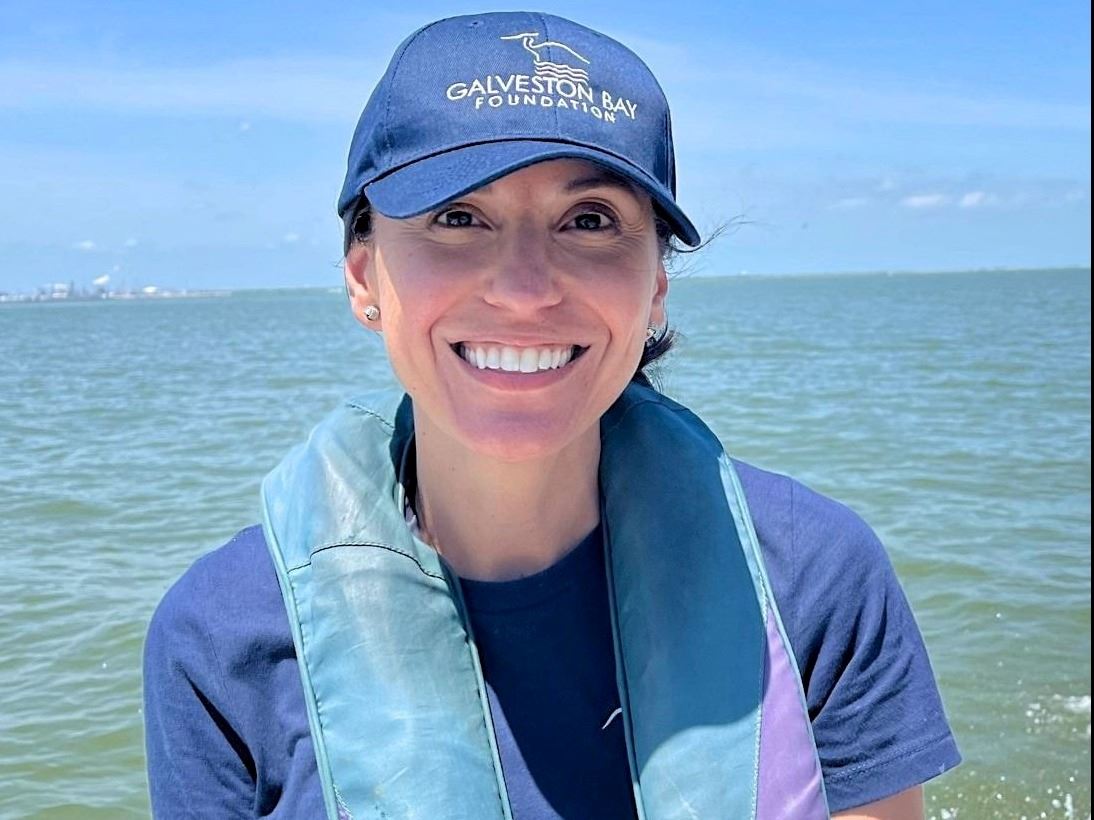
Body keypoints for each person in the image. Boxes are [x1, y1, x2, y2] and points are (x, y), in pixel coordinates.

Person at [142, 11, 960, 819]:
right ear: (364, 277)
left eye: (590, 221)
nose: (526, 288)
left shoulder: (814, 579)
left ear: (656, 288)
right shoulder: (220, 640)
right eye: (457, 217)